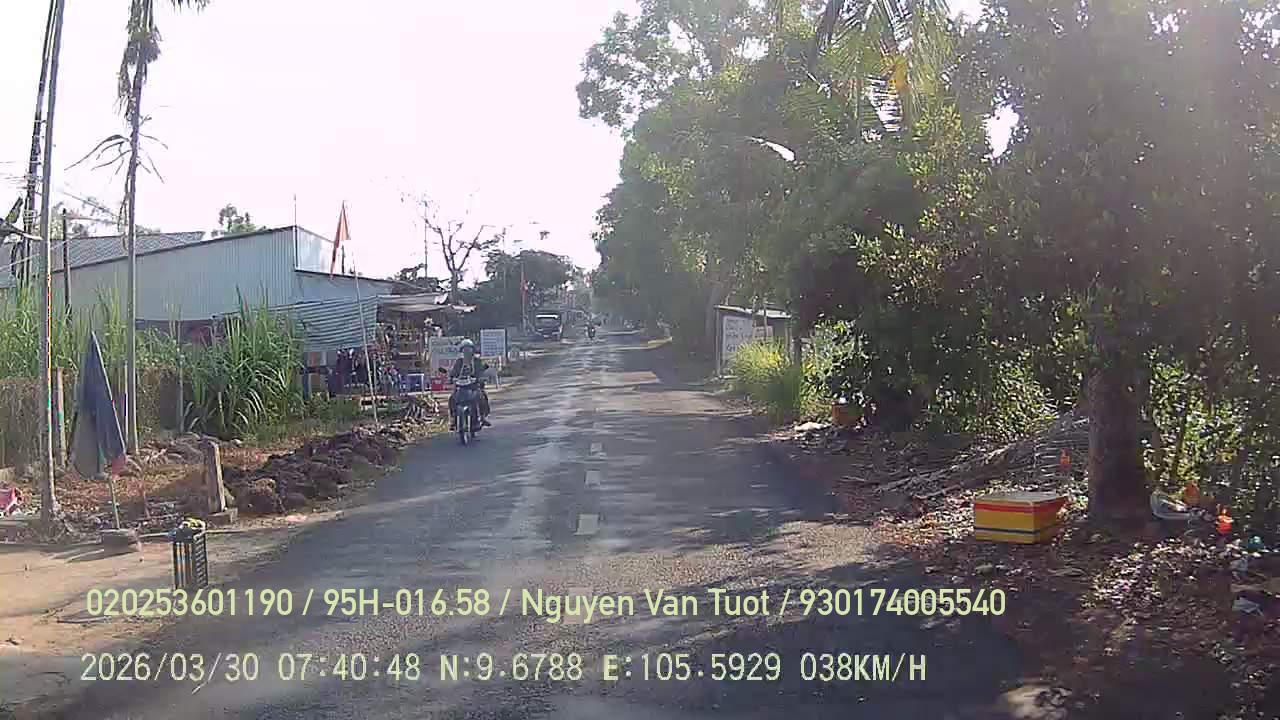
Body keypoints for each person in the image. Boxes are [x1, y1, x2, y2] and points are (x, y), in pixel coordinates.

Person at [448, 339, 491, 428]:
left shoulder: (477, 361)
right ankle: (453, 419)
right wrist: (451, 378)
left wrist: (481, 378)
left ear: (472, 350)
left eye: (468, 349)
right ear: (462, 351)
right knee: (452, 399)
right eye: (465, 349)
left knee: (482, 396)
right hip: (461, 386)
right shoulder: (459, 361)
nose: (467, 351)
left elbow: (481, 371)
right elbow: (454, 372)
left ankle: (482, 417)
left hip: (474, 385)